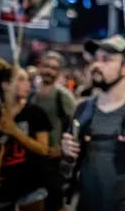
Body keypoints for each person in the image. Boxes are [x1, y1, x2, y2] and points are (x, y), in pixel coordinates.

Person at [61, 35, 125, 211]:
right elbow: (67, 166)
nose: (96, 65)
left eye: (106, 60)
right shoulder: (82, 109)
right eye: (95, 59)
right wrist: (66, 154)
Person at [0, 66, 52, 211]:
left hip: (31, 185)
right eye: (21, 79)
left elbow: (43, 150)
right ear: (5, 85)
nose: (28, 84)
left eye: (28, 80)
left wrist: (15, 131)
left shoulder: (35, 112)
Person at [29, 51, 76, 211]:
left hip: (53, 162)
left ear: (59, 72)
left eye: (54, 68)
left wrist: (62, 150)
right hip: (33, 159)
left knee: (55, 205)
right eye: (46, 66)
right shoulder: (32, 94)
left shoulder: (63, 95)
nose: (49, 71)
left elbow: (76, 126)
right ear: (40, 67)